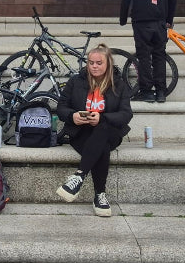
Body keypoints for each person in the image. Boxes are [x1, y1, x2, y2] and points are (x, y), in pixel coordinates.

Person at [56, 43, 132, 217]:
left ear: (108, 64)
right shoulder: (76, 81)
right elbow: (61, 107)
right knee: (101, 148)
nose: (94, 66)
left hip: (110, 132)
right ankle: (100, 195)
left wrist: (102, 117)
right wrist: (72, 116)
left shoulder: (118, 84)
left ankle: (79, 176)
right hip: (81, 133)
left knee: (103, 127)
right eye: (91, 63)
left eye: (99, 63)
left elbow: (126, 114)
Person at [119, 0, 177, 103]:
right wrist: (169, 20)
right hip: (160, 21)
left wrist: (123, 18)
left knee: (144, 56)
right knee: (159, 55)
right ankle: (160, 92)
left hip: (141, 20)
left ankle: (146, 92)